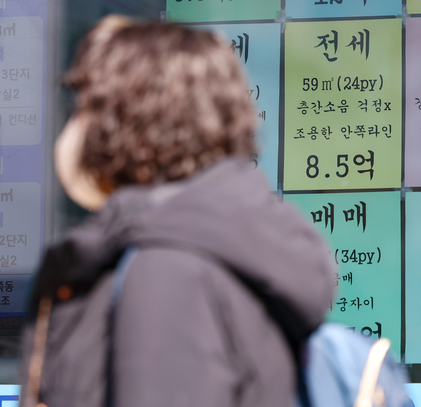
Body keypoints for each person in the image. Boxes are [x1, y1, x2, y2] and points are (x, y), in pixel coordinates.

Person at [20, 15, 334, 407]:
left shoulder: (166, 268)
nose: (75, 126)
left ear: (128, 120)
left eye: (87, 106)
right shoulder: (216, 244)